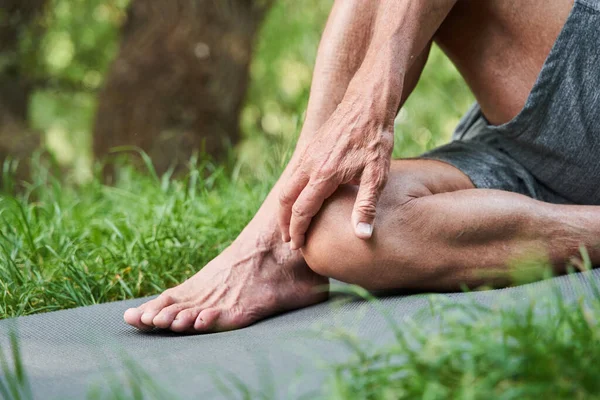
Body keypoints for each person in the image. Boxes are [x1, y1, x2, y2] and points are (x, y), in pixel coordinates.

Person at [124, 0, 600, 333]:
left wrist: (372, 100)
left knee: (313, 227)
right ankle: (285, 239)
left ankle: (274, 240)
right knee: (339, 232)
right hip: (521, 149)